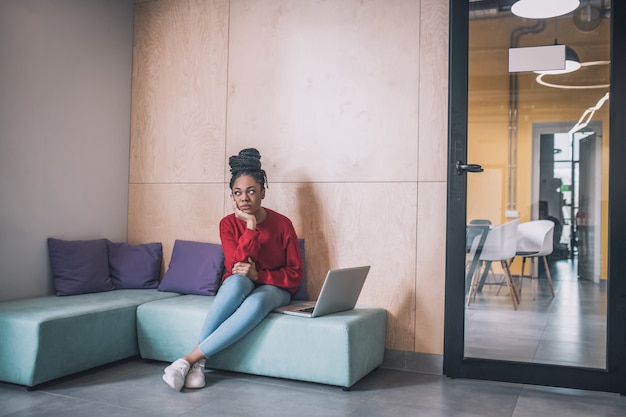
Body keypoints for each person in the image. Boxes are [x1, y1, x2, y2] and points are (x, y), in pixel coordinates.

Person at [162, 148, 304, 391]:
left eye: (251, 191)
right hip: (240, 282)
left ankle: (189, 360)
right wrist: (250, 227)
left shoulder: (283, 224)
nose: (244, 198)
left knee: (259, 301)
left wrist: (261, 275)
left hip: (275, 287)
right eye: (238, 193)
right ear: (233, 197)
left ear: (263, 192)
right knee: (238, 281)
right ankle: (198, 364)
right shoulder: (228, 224)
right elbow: (235, 264)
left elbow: (295, 273)